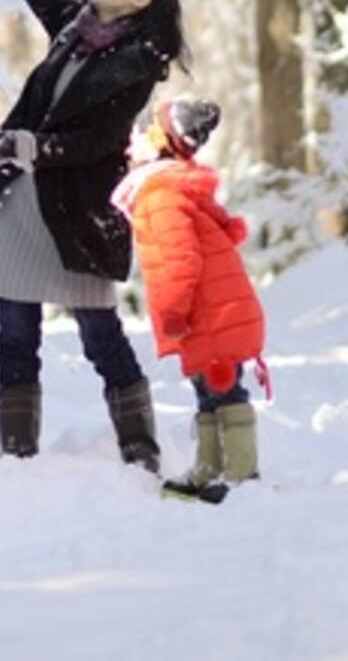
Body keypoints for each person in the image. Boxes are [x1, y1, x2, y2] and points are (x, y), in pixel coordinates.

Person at [0, 0, 187, 470]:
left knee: (99, 334)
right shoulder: (75, 33)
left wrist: (33, 147)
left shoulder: (137, 63)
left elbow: (99, 142)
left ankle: (140, 449)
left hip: (78, 211)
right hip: (23, 198)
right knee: (14, 334)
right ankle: (17, 453)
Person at [111, 98, 267, 504]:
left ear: (161, 141)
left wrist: (173, 310)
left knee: (226, 390)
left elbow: (179, 260)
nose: (130, 143)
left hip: (212, 312)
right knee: (207, 391)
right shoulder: (165, 187)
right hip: (211, 312)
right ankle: (210, 467)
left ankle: (241, 472)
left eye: (140, 134)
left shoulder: (159, 194)